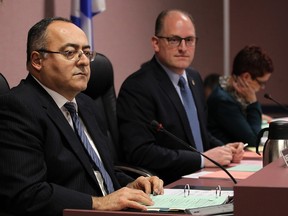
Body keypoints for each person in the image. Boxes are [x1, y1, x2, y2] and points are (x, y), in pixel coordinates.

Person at [0, 17, 164, 216]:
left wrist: (129, 184)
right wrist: (99, 203)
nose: (84, 61)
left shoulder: (85, 104)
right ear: (37, 60)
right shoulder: (19, 107)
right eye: (70, 53)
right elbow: (26, 193)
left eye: (86, 53)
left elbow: (95, 173)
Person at [116, 9, 244, 185]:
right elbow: (140, 152)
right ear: (155, 43)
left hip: (204, 176)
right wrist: (201, 159)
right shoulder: (138, 87)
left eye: (189, 40)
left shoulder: (194, 78)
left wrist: (223, 148)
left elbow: (198, 134)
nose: (183, 48)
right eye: (174, 40)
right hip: (169, 184)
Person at [207, 45, 274, 147]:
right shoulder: (223, 101)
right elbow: (254, 141)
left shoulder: (232, 94)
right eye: (261, 83)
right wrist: (253, 102)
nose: (262, 88)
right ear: (246, 77)